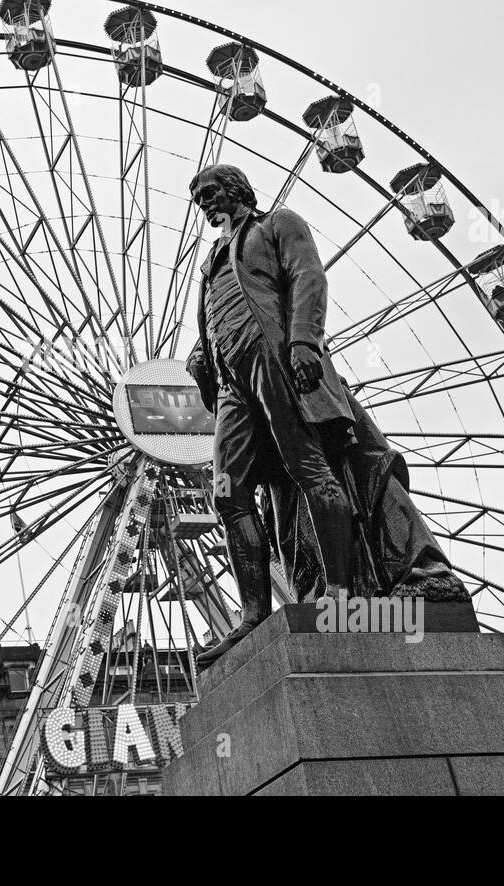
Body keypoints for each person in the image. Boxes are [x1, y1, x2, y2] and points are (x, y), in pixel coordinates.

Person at [185, 164, 468, 670]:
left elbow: (308, 277)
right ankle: (253, 615)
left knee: (309, 468)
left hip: (273, 352)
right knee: (228, 490)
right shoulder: (208, 263)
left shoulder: (278, 225)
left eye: (210, 192)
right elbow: (216, 315)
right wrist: (201, 357)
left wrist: (301, 341)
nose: (203, 202)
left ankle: (338, 593)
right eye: (198, 197)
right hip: (232, 380)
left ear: (236, 190)